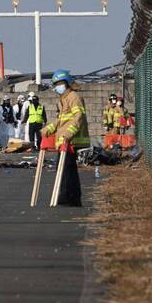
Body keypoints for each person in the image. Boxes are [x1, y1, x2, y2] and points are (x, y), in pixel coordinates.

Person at [41, 70, 86, 207]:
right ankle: (72, 197)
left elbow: (79, 117)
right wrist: (48, 129)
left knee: (66, 169)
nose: (57, 87)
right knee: (68, 169)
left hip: (71, 139)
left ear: (67, 83)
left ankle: (68, 197)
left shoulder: (74, 97)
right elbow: (61, 120)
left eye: (60, 84)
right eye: (55, 84)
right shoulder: (63, 100)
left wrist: (69, 133)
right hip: (63, 140)